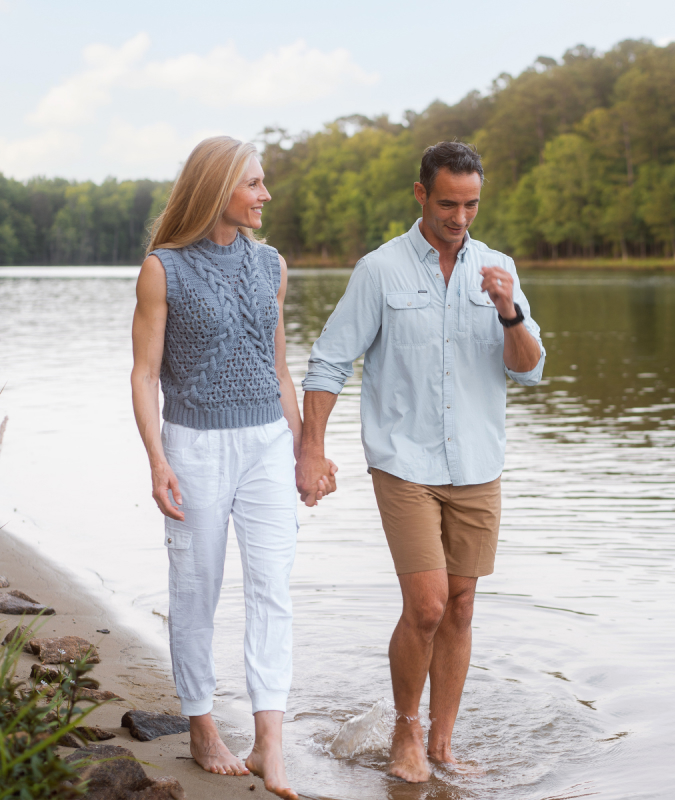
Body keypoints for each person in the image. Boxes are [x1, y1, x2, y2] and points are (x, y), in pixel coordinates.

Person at [296, 141, 546, 783]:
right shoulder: (379, 270)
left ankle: (442, 742)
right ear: (420, 194)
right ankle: (406, 732)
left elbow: (530, 370)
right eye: (447, 203)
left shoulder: (498, 269)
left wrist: (509, 310)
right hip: (404, 463)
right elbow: (329, 359)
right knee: (430, 605)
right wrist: (313, 447)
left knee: (462, 606)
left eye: (471, 204)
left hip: (478, 465)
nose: (460, 218)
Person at [131, 136, 332, 799]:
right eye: (253, 184)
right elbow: (144, 373)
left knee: (273, 586)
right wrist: (157, 458)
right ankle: (201, 726)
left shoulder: (271, 264)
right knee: (196, 589)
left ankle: (269, 740)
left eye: (264, 182)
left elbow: (278, 368)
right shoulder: (164, 269)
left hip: (268, 444)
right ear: (219, 188)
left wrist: (307, 451)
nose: (265, 195)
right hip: (193, 446)